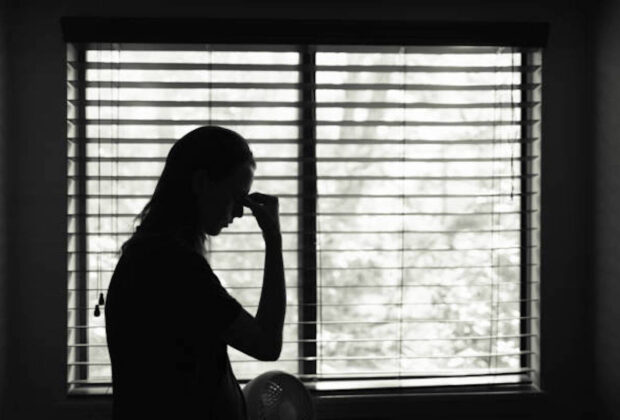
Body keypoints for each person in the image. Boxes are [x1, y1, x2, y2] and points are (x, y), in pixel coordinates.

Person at [104, 126, 286, 420]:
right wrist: (273, 239)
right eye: (236, 196)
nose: (240, 213)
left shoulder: (153, 254)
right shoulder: (173, 266)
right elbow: (266, 344)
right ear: (202, 182)